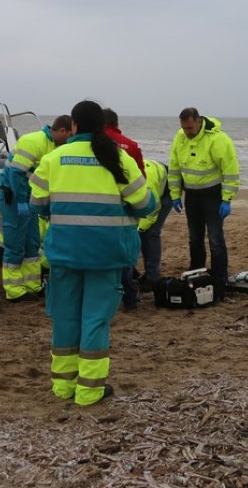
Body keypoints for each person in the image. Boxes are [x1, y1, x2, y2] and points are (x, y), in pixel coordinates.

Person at [29, 100, 155, 406]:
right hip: (107, 254)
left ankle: (63, 387)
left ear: (72, 126)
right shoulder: (120, 158)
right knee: (96, 320)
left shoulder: (54, 158)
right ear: (102, 126)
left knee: (64, 319)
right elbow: (146, 205)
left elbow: (37, 205)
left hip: (65, 253)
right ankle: (89, 391)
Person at [0, 115, 72, 301]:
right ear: (62, 130)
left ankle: (32, 285)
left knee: (32, 244)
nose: (71, 139)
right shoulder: (33, 141)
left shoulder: (57, 146)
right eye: (70, 134)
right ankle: (14, 291)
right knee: (15, 244)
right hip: (13, 197)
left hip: (30, 199)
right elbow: (16, 173)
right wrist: (21, 201)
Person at [168, 107, 240, 291]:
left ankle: (220, 278)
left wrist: (227, 199)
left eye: (190, 128)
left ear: (199, 121)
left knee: (215, 239)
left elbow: (230, 170)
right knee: (194, 238)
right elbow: (174, 168)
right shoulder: (180, 137)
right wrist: (175, 195)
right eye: (184, 128)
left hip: (212, 195)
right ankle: (197, 272)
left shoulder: (218, 139)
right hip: (192, 195)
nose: (187, 132)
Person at [103, 108, 146, 311]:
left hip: (100, 210)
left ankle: (109, 298)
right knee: (125, 257)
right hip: (125, 210)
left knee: (103, 257)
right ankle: (129, 300)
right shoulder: (131, 145)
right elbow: (141, 181)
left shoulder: (93, 144)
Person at [137, 158, 172, 288]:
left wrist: (138, 229)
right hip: (156, 177)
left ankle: (153, 277)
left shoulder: (147, 183)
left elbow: (153, 210)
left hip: (166, 191)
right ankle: (139, 273)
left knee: (151, 232)